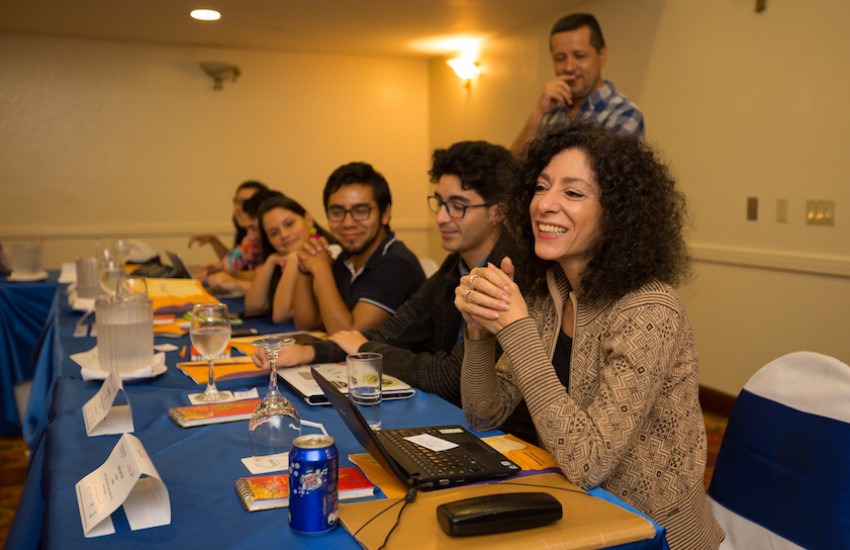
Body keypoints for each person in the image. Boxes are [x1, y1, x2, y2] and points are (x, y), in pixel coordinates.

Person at [456, 125, 723, 548]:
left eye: (574, 193)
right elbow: (484, 414)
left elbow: (587, 461)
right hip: (579, 512)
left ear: (617, 214)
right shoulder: (551, 292)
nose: (545, 204)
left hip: (651, 533)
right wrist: (479, 330)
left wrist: (517, 329)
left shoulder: (650, 308)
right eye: (541, 187)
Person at [259, 142, 534, 439]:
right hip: (457, 418)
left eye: (458, 206)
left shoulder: (512, 272)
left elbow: (449, 377)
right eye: (440, 202)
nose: (441, 217)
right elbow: (392, 330)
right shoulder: (453, 267)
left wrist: (365, 350)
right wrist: (310, 351)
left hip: (506, 436)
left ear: (497, 212)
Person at [291, 162, 425, 334]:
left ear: (385, 214)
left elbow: (349, 336)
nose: (348, 223)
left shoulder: (397, 264)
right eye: (337, 212)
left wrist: (321, 268)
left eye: (361, 211)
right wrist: (305, 268)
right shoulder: (347, 259)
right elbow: (307, 325)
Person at [511, 13, 644, 157]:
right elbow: (513, 168)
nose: (569, 67)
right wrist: (538, 113)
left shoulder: (624, 113)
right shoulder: (550, 115)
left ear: (602, 56)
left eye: (579, 56)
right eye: (560, 58)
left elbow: (609, 176)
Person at [242, 193, 338, 321]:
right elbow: (253, 306)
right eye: (273, 233)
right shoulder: (280, 259)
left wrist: (294, 258)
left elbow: (281, 315)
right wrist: (270, 262)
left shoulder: (331, 252)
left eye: (289, 224)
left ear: (308, 220)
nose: (283, 235)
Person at [189, 180, 269, 273]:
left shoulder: (267, 239)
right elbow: (231, 263)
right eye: (237, 202)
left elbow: (259, 277)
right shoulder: (248, 238)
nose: (241, 208)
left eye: (248, 203)